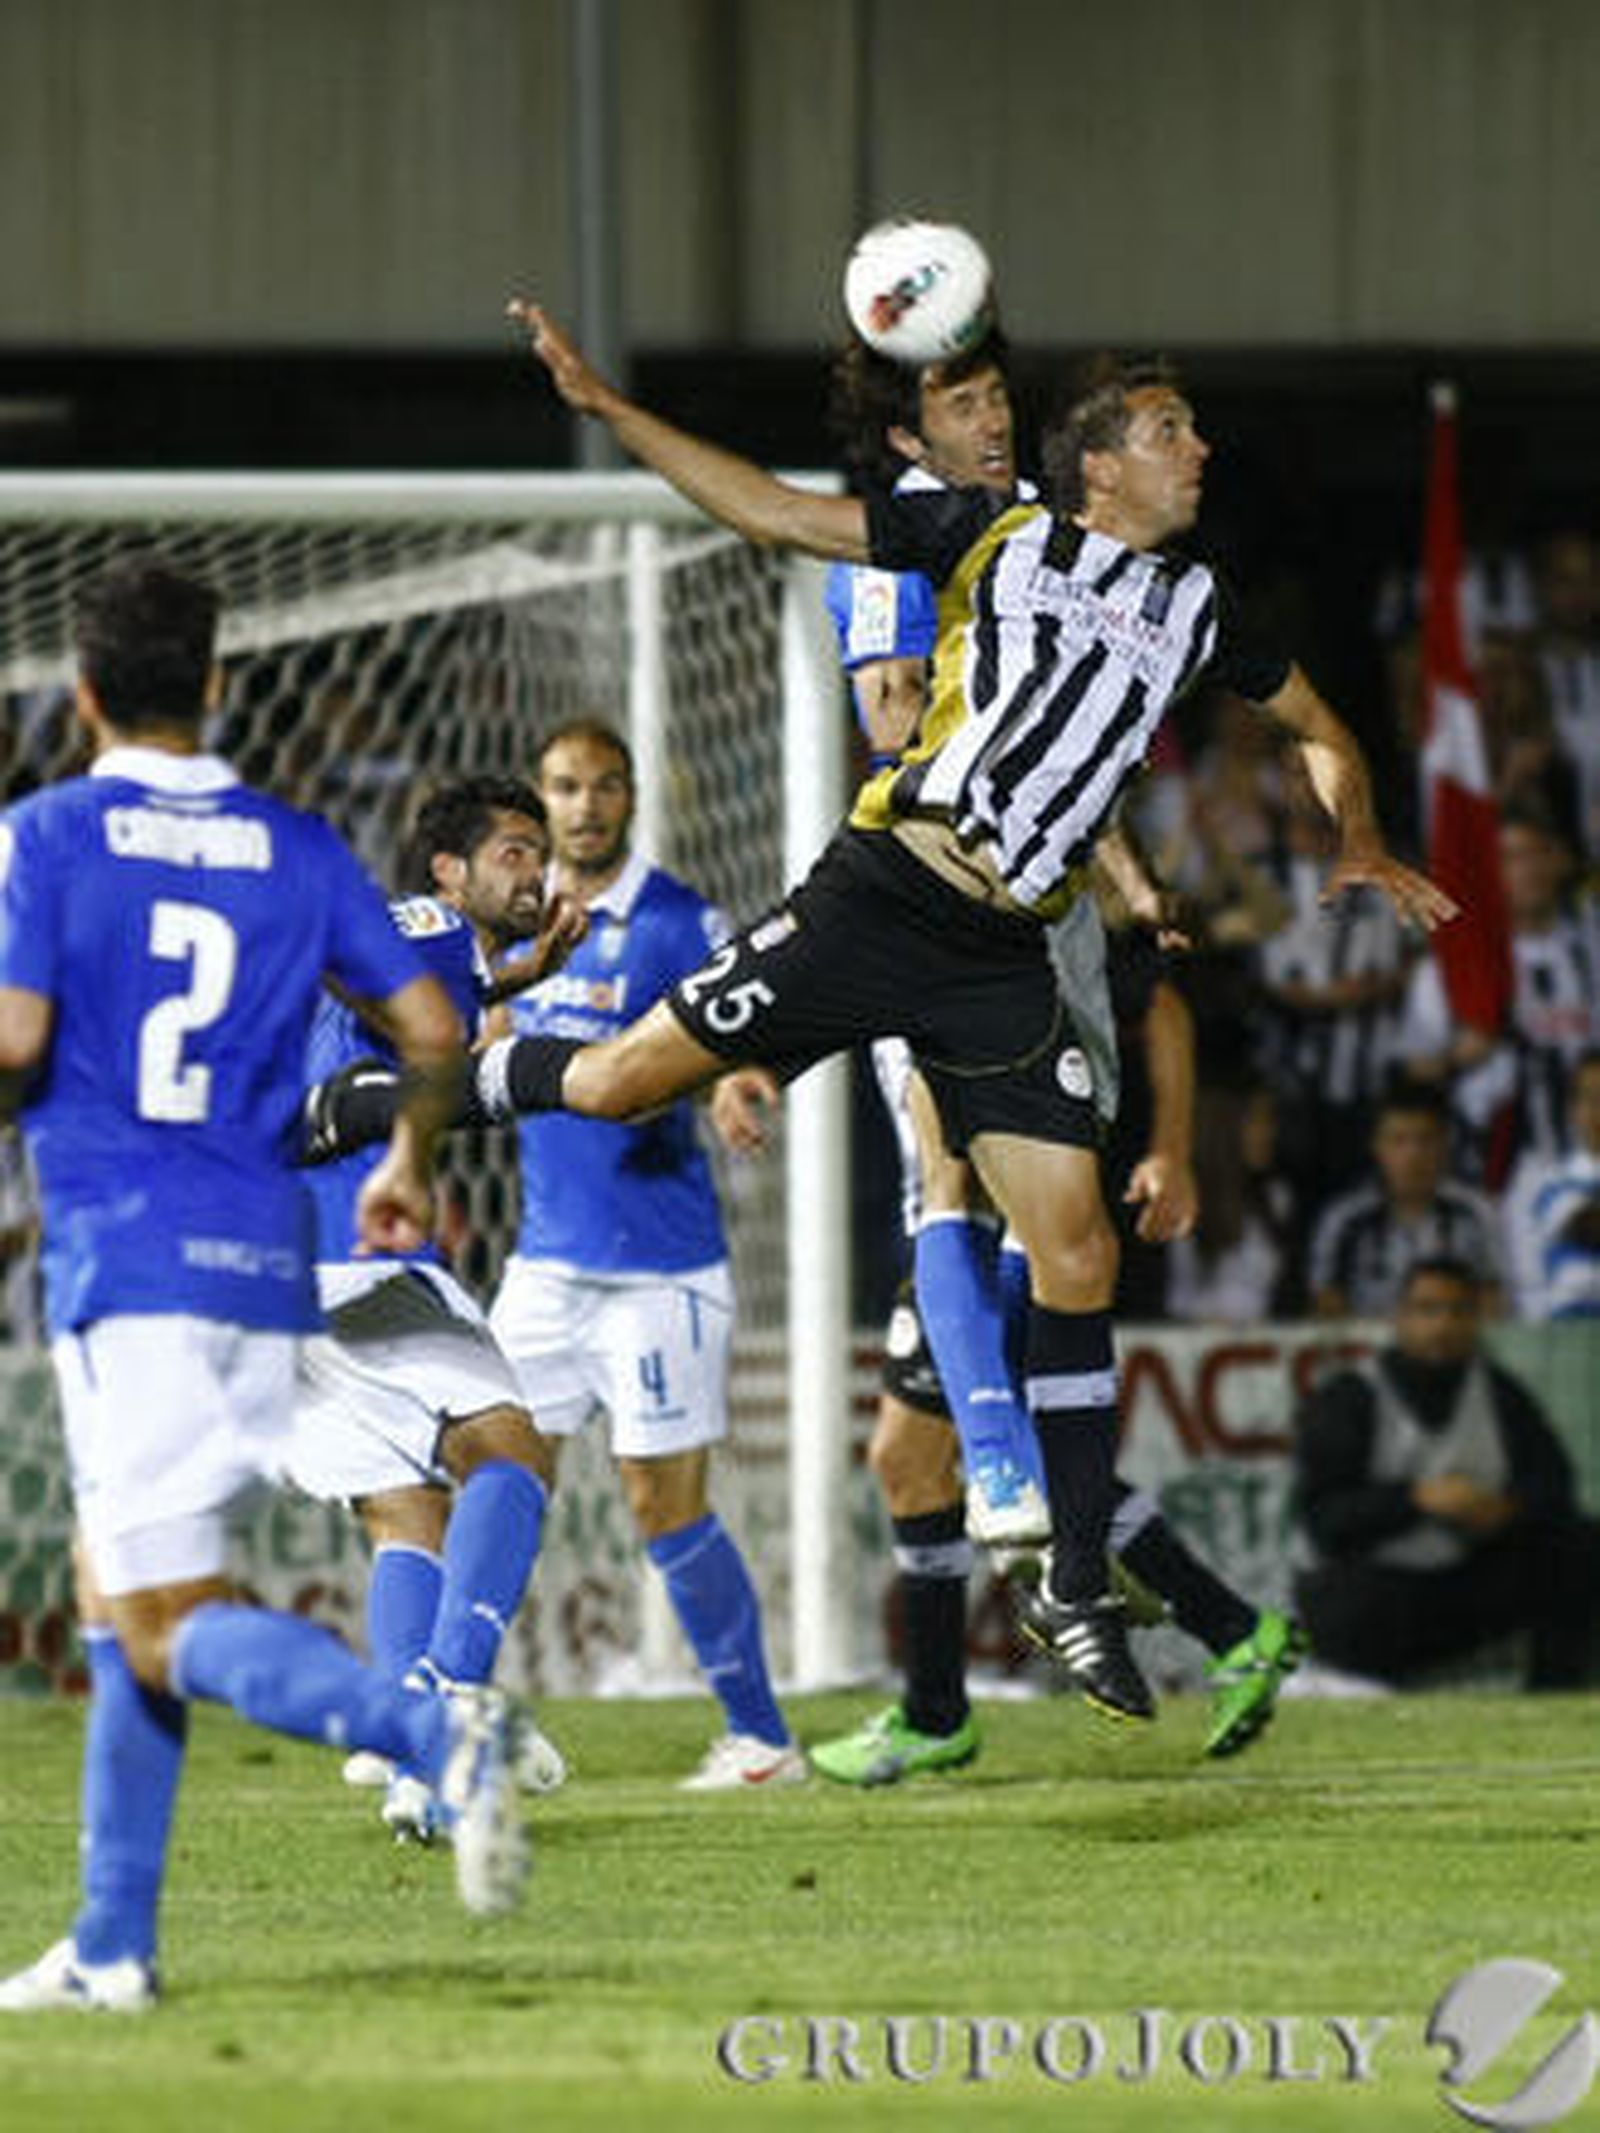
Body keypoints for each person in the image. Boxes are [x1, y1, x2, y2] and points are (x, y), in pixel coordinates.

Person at [500, 297, 1451, 1724]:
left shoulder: (1201, 610)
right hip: (887, 894)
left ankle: (1072, 1578)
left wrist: (1361, 837)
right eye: (1170, 431)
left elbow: (1319, 727)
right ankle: (402, 1087)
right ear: (1103, 469)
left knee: (1075, 1254)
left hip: (1007, 953)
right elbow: (773, 513)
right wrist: (609, 408)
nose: (1200, 449)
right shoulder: (991, 539)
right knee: (619, 1082)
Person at [0, 560, 528, 2014]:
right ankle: (112, 1945)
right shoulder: (297, 846)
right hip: (269, 1267)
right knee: (125, 1603)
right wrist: (412, 1157)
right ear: (221, 685)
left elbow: (14, 1039)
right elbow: (430, 1022)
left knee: (165, 1614)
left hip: (132, 1260)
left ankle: (434, 1735)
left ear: (86, 694)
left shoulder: (45, 834)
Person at [488, 719, 803, 1790]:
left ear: (631, 798)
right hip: (543, 1266)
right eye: (566, 788)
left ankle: (760, 1739)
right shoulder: (514, 936)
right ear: (538, 804)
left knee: (661, 1504)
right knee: (486, 1479)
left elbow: (729, 1036)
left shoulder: (676, 922)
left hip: (658, 1271)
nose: (585, 807)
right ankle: (461, 1711)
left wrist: (735, 1084)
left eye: (604, 787)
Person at [292, 776, 573, 1837]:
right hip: (360, 1235)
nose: (533, 870)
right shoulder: (425, 922)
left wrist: (515, 975)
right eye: (511, 850)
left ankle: (408, 1748)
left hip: (288, 1261)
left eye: (535, 852)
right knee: (508, 1455)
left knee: (401, 1509)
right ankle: (449, 1705)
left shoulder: (461, 960)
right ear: (448, 871)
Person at [1291, 1255, 1600, 1688]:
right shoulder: (1351, 1397)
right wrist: (1418, 1500)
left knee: (1580, 1548)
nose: (1443, 1325)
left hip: (1457, 1586)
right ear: (1399, 1317)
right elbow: (1324, 1520)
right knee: (1347, 1604)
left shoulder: (1500, 1393)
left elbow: (1555, 1489)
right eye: (1427, 1309)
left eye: (1458, 1311)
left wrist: (1506, 1511)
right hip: (1370, 1594)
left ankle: (1555, 1698)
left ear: (1476, 1320)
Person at [1309, 1080, 1505, 1320]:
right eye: (1398, 1140)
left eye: (1425, 1139)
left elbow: (1491, 1301)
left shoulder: (1476, 1212)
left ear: (1445, 1144)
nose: (1413, 1155)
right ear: (1376, 1146)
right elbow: (1327, 1303)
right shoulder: (1343, 1219)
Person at [1503, 1047, 1600, 1319]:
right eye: (1589, 1097)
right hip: (1562, 1331)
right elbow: (1587, 1227)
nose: (1597, 1109)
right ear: (1572, 1110)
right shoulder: (1543, 1181)